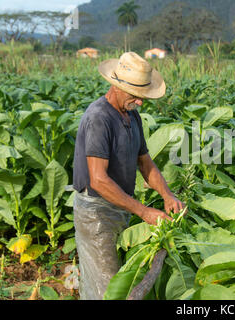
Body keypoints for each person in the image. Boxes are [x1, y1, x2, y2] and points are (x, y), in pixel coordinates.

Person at [72, 51, 184, 300]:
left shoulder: (131, 115)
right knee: (109, 287)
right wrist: (144, 211)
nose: (141, 102)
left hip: (120, 207)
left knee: (112, 280)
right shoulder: (99, 118)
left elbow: (145, 163)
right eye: (137, 95)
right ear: (117, 87)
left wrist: (167, 194)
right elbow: (98, 180)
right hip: (96, 214)